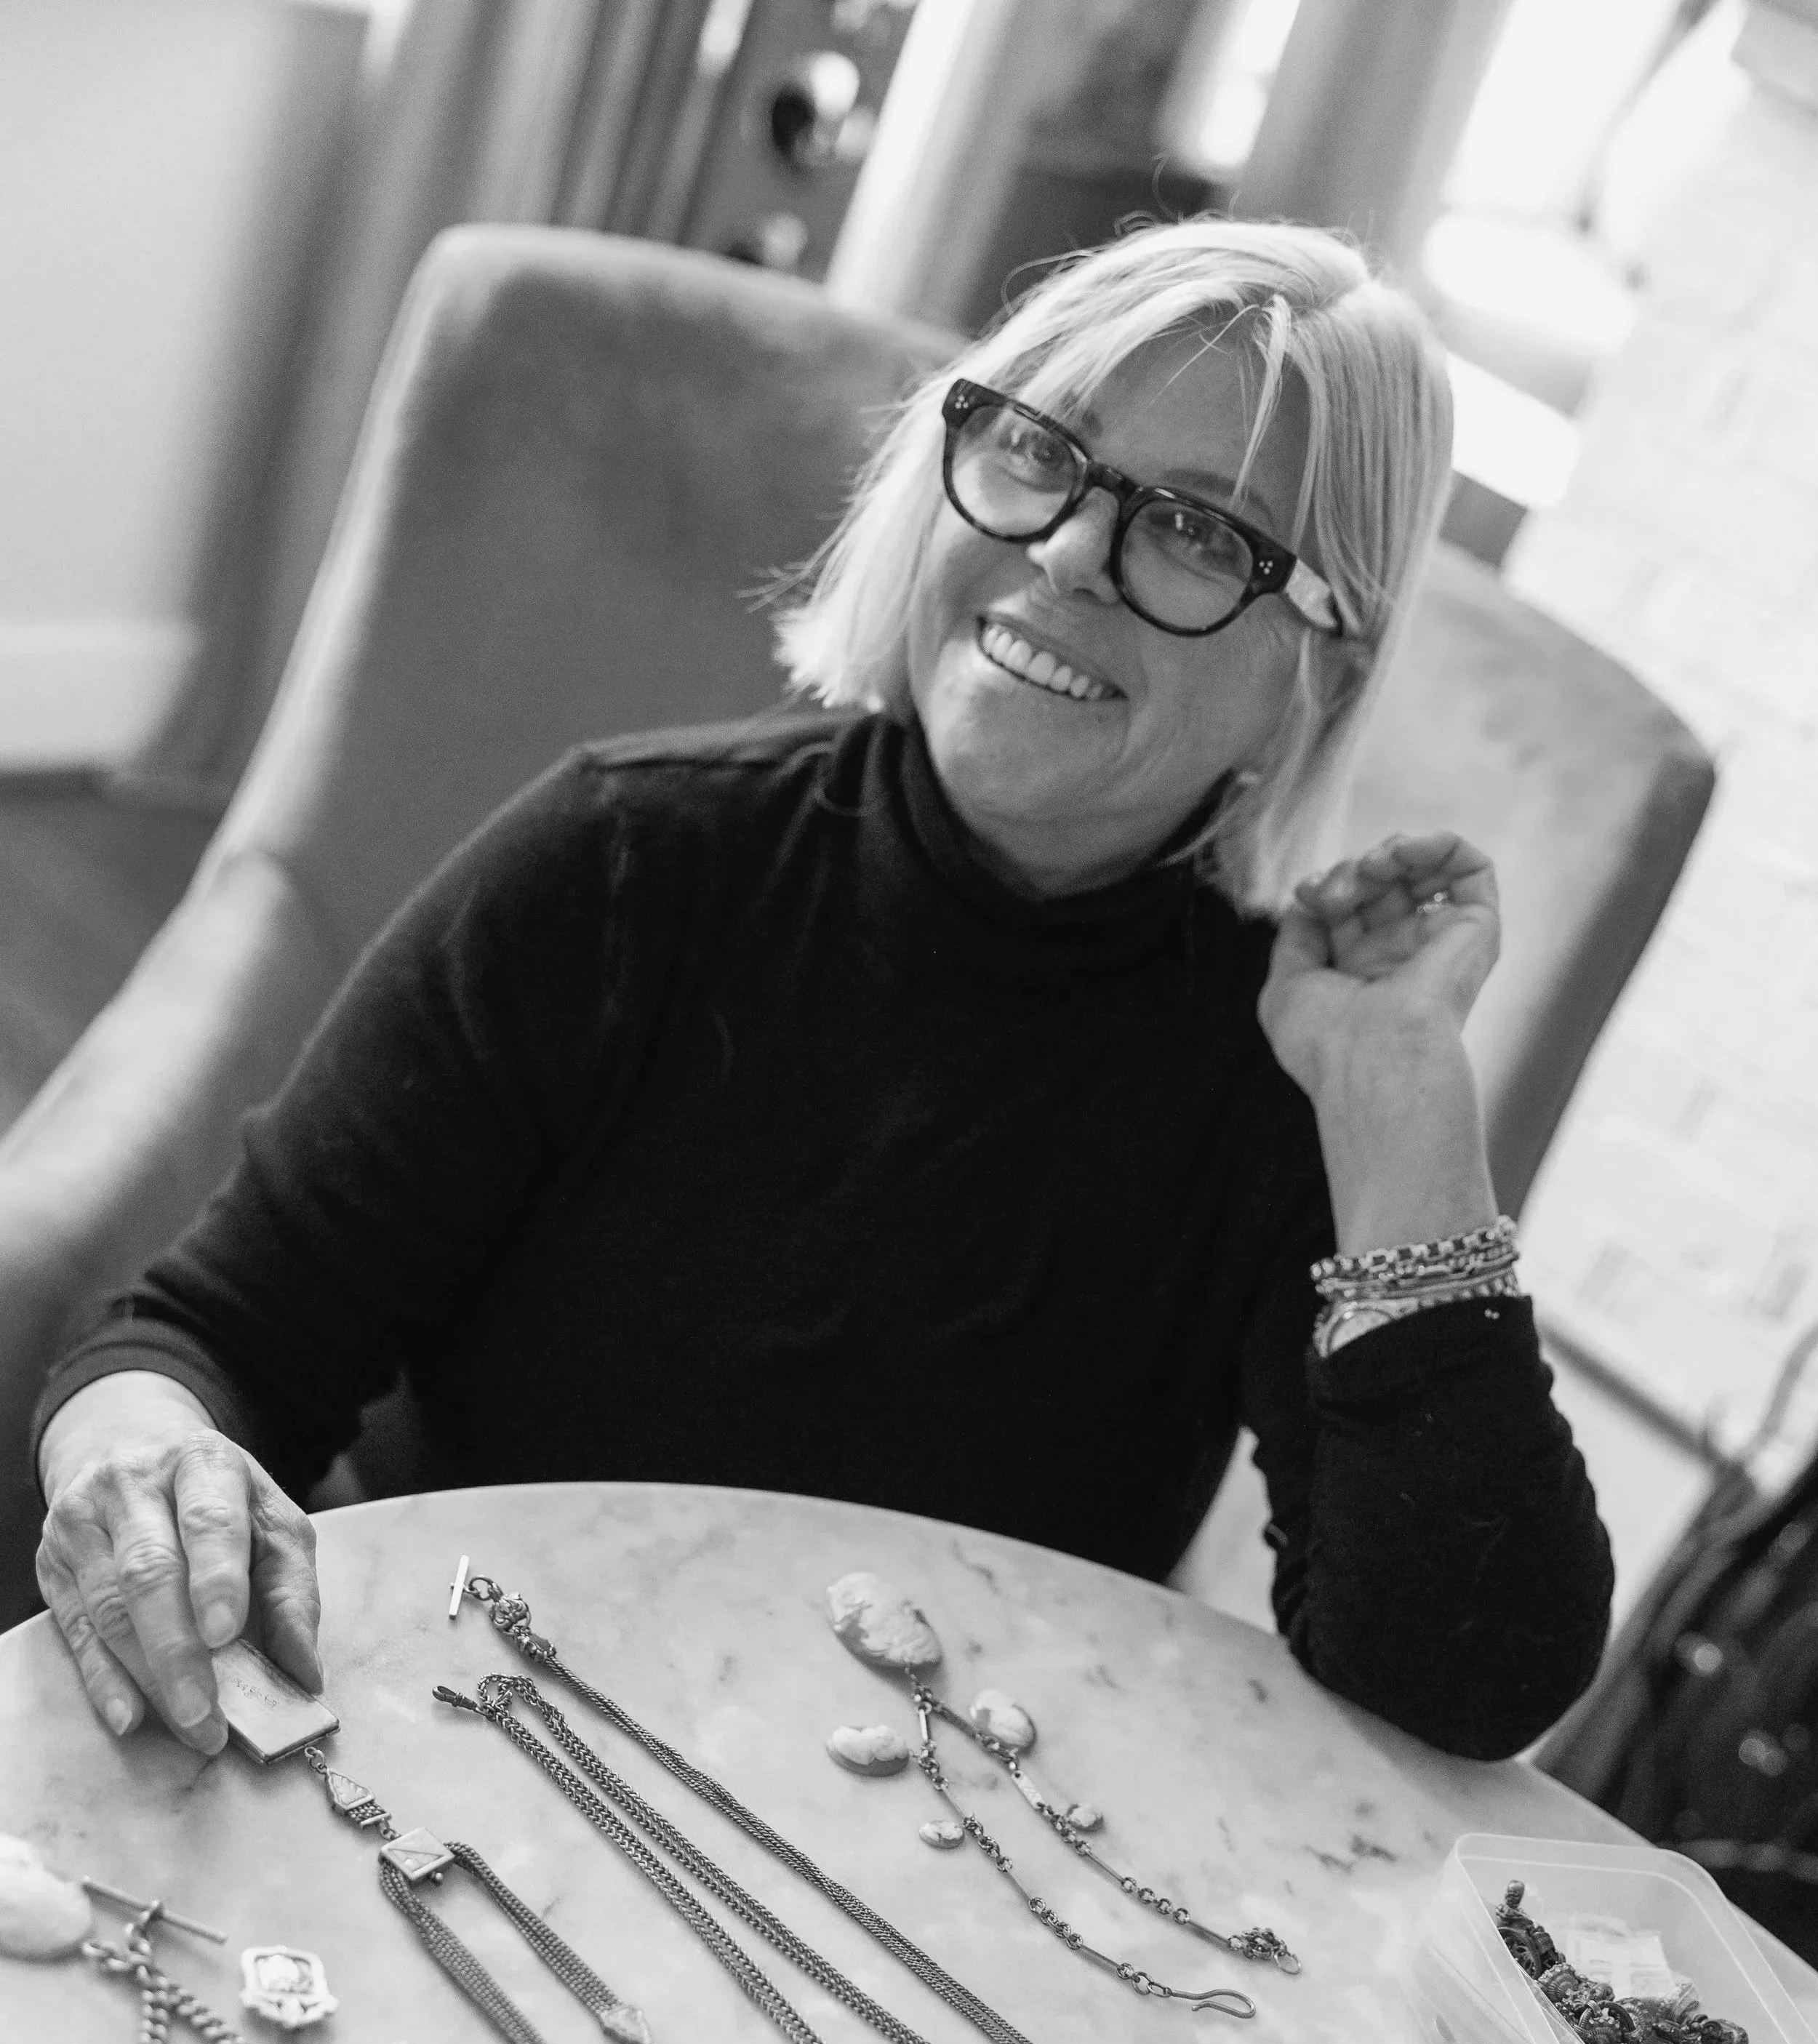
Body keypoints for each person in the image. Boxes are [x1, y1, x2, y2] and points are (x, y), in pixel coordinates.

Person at [31, 217, 1611, 1766]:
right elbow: (208, 1337)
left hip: (929, 1884)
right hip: (471, 1756)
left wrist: (1399, 1099)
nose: (1066, 550)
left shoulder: (1288, 1070)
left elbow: (1460, 1687)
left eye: (1198, 532)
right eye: (1041, 452)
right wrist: (145, 1460)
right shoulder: (627, 865)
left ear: (1315, 666)